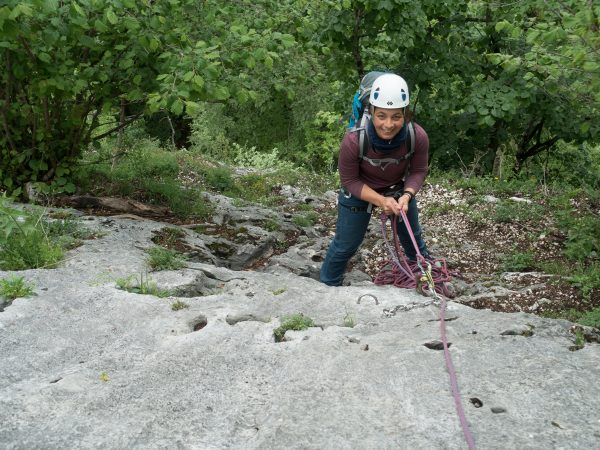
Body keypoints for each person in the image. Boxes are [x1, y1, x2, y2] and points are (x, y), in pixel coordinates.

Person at [320, 73, 431, 286]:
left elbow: (418, 171)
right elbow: (349, 180)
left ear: (405, 115)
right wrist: (381, 201)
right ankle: (326, 286)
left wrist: (407, 196)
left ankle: (427, 282)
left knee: (413, 241)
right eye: (382, 116)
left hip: (398, 190)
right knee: (346, 245)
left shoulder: (417, 136)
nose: (388, 124)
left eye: (396, 117)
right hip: (359, 190)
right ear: (371, 112)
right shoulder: (354, 140)